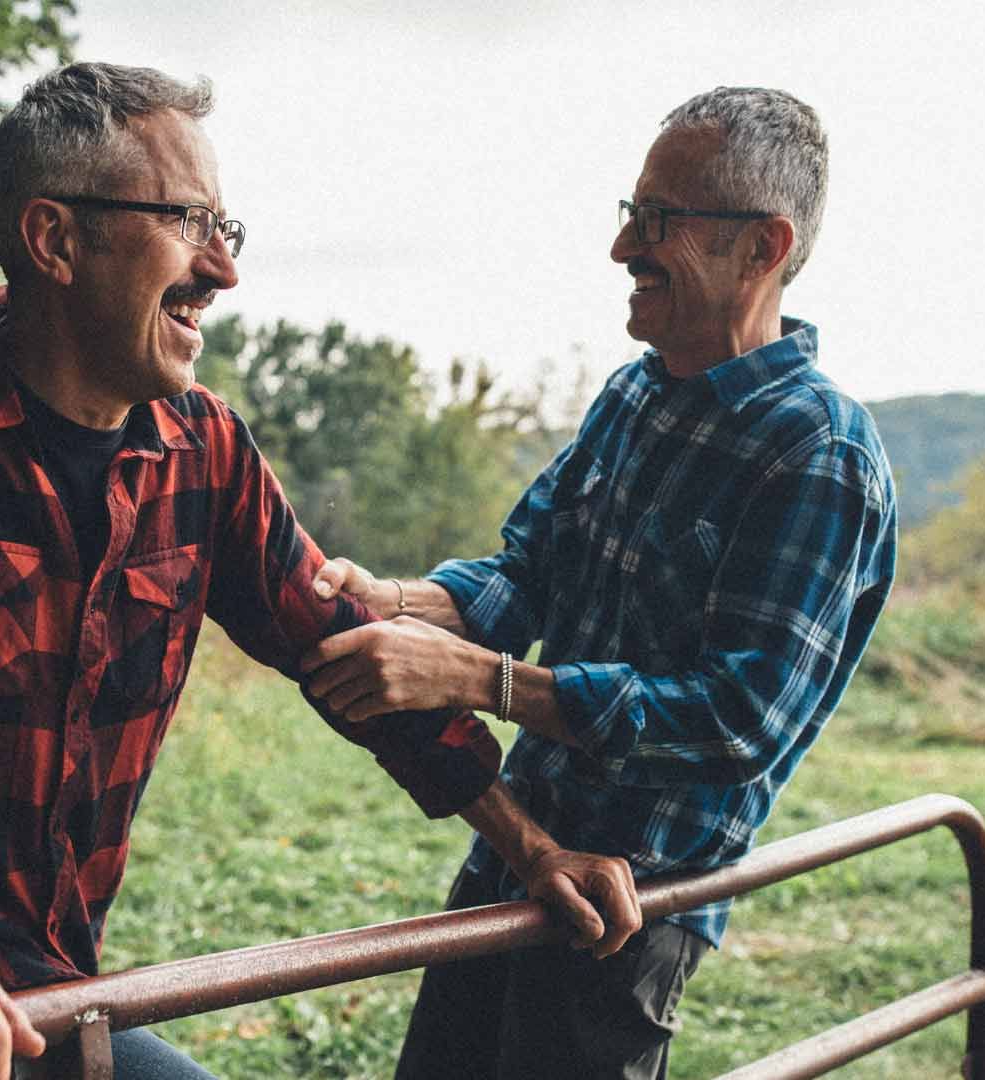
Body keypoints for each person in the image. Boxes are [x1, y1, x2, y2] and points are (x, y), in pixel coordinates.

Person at [0, 62, 642, 1080]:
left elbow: (349, 658)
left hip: (63, 996)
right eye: (187, 221)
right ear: (55, 239)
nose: (225, 270)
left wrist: (533, 849)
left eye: (228, 229)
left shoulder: (203, 451)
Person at [302, 86, 898, 1079]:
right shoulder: (634, 393)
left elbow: (739, 721)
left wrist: (482, 682)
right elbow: (527, 575)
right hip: (517, 847)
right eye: (631, 215)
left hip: (633, 905)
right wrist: (395, 599)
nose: (625, 250)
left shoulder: (818, 454)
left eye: (659, 222)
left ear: (764, 247)